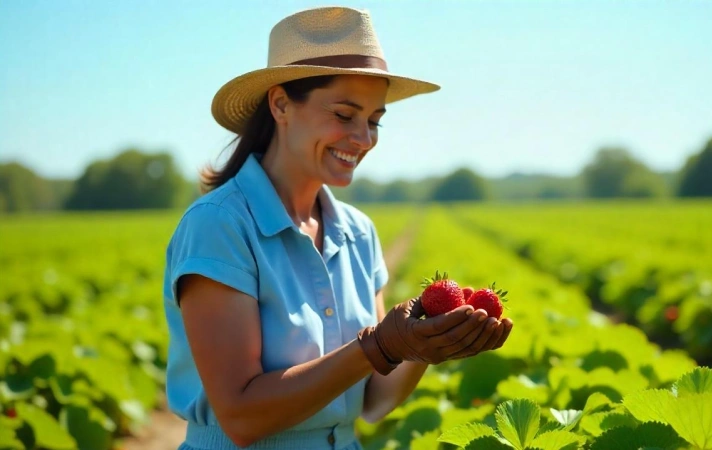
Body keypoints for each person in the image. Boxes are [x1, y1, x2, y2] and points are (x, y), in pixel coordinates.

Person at [162, 6, 513, 450]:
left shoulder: (358, 231)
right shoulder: (219, 225)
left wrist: (427, 345)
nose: (364, 138)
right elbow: (241, 417)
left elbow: (372, 402)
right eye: (345, 115)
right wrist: (379, 347)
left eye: (374, 120)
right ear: (281, 104)